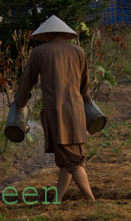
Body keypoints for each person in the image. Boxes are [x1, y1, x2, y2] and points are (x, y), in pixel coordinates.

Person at [14, 15, 95, 202]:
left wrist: (19, 103)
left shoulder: (40, 53)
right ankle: (57, 200)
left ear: (47, 34)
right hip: (76, 110)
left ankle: (90, 199)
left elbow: (27, 81)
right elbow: (85, 86)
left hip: (57, 112)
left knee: (72, 160)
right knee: (67, 157)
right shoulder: (78, 52)